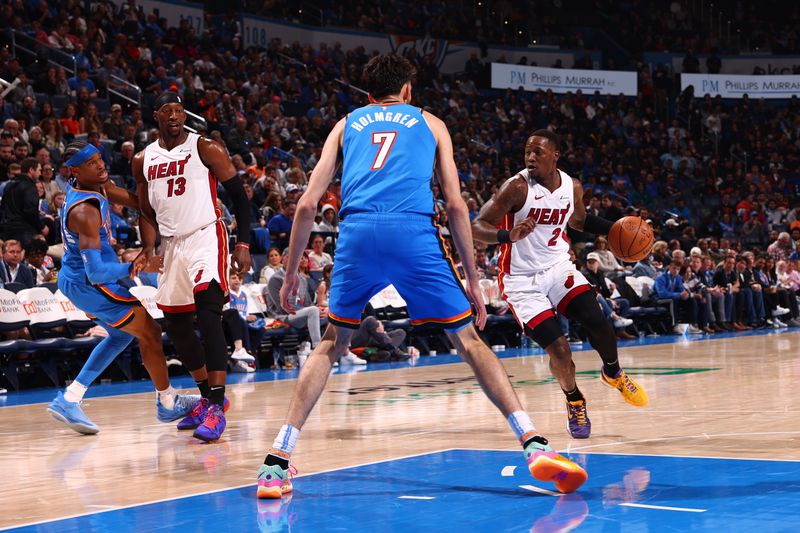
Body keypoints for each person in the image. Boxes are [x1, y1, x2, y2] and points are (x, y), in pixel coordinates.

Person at [257, 54, 587, 499]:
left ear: (370, 93)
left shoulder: (345, 123)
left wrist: (295, 267)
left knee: (331, 344)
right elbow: (455, 206)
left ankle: (277, 461)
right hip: (412, 231)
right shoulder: (430, 123)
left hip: (356, 233)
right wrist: (473, 279)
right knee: (468, 340)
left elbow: (305, 205)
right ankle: (533, 443)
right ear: (408, 90)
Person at [472, 129, 648, 441]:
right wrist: (506, 235)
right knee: (560, 350)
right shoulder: (516, 187)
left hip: (557, 268)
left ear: (555, 155)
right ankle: (575, 400)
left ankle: (613, 372)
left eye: (537, 152)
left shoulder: (571, 186)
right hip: (521, 280)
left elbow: (578, 222)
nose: (530, 157)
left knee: (599, 322)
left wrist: (617, 229)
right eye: (527, 151)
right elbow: (477, 227)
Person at [45, 142, 201, 434]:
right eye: (92, 163)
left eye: (100, 158)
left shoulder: (98, 186)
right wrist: (137, 265)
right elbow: (96, 272)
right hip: (89, 282)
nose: (101, 165)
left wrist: (172, 202)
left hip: (82, 279)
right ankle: (168, 403)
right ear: (74, 171)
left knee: (120, 336)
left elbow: (139, 202)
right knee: (150, 332)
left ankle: (69, 398)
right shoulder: (85, 212)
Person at [133, 92, 252, 442]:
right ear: (156, 115)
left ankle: (216, 405)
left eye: (179, 110)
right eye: (167, 110)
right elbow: (145, 211)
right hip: (171, 244)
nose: (174, 115)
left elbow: (240, 198)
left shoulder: (206, 148)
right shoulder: (142, 159)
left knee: (208, 309)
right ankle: (205, 397)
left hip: (205, 235)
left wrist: (242, 243)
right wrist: (147, 247)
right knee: (177, 323)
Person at [0, 158, 50, 245]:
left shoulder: (9, 185)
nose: (40, 173)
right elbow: (30, 211)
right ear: (31, 170)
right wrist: (42, 227)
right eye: (39, 170)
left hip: (7, 229)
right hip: (24, 231)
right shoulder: (29, 187)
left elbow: (3, 208)